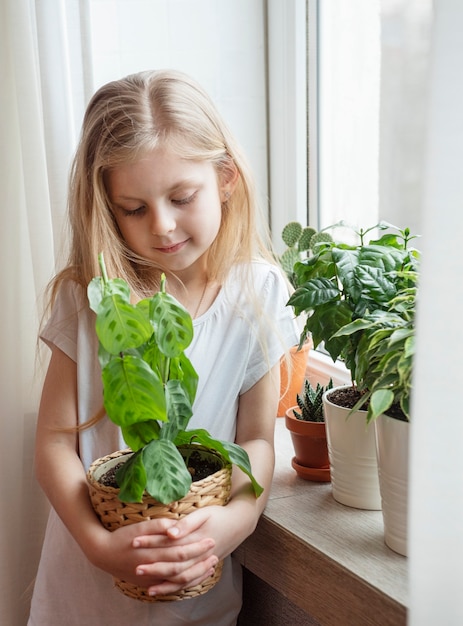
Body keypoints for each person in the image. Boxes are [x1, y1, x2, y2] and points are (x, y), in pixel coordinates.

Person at [28, 69, 298, 626]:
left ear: (225, 177)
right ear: (106, 204)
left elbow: (256, 438)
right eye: (134, 208)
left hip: (197, 597)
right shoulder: (90, 297)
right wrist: (99, 546)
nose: (164, 226)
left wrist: (237, 522)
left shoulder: (258, 291)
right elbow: (55, 443)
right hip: (82, 601)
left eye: (181, 197)